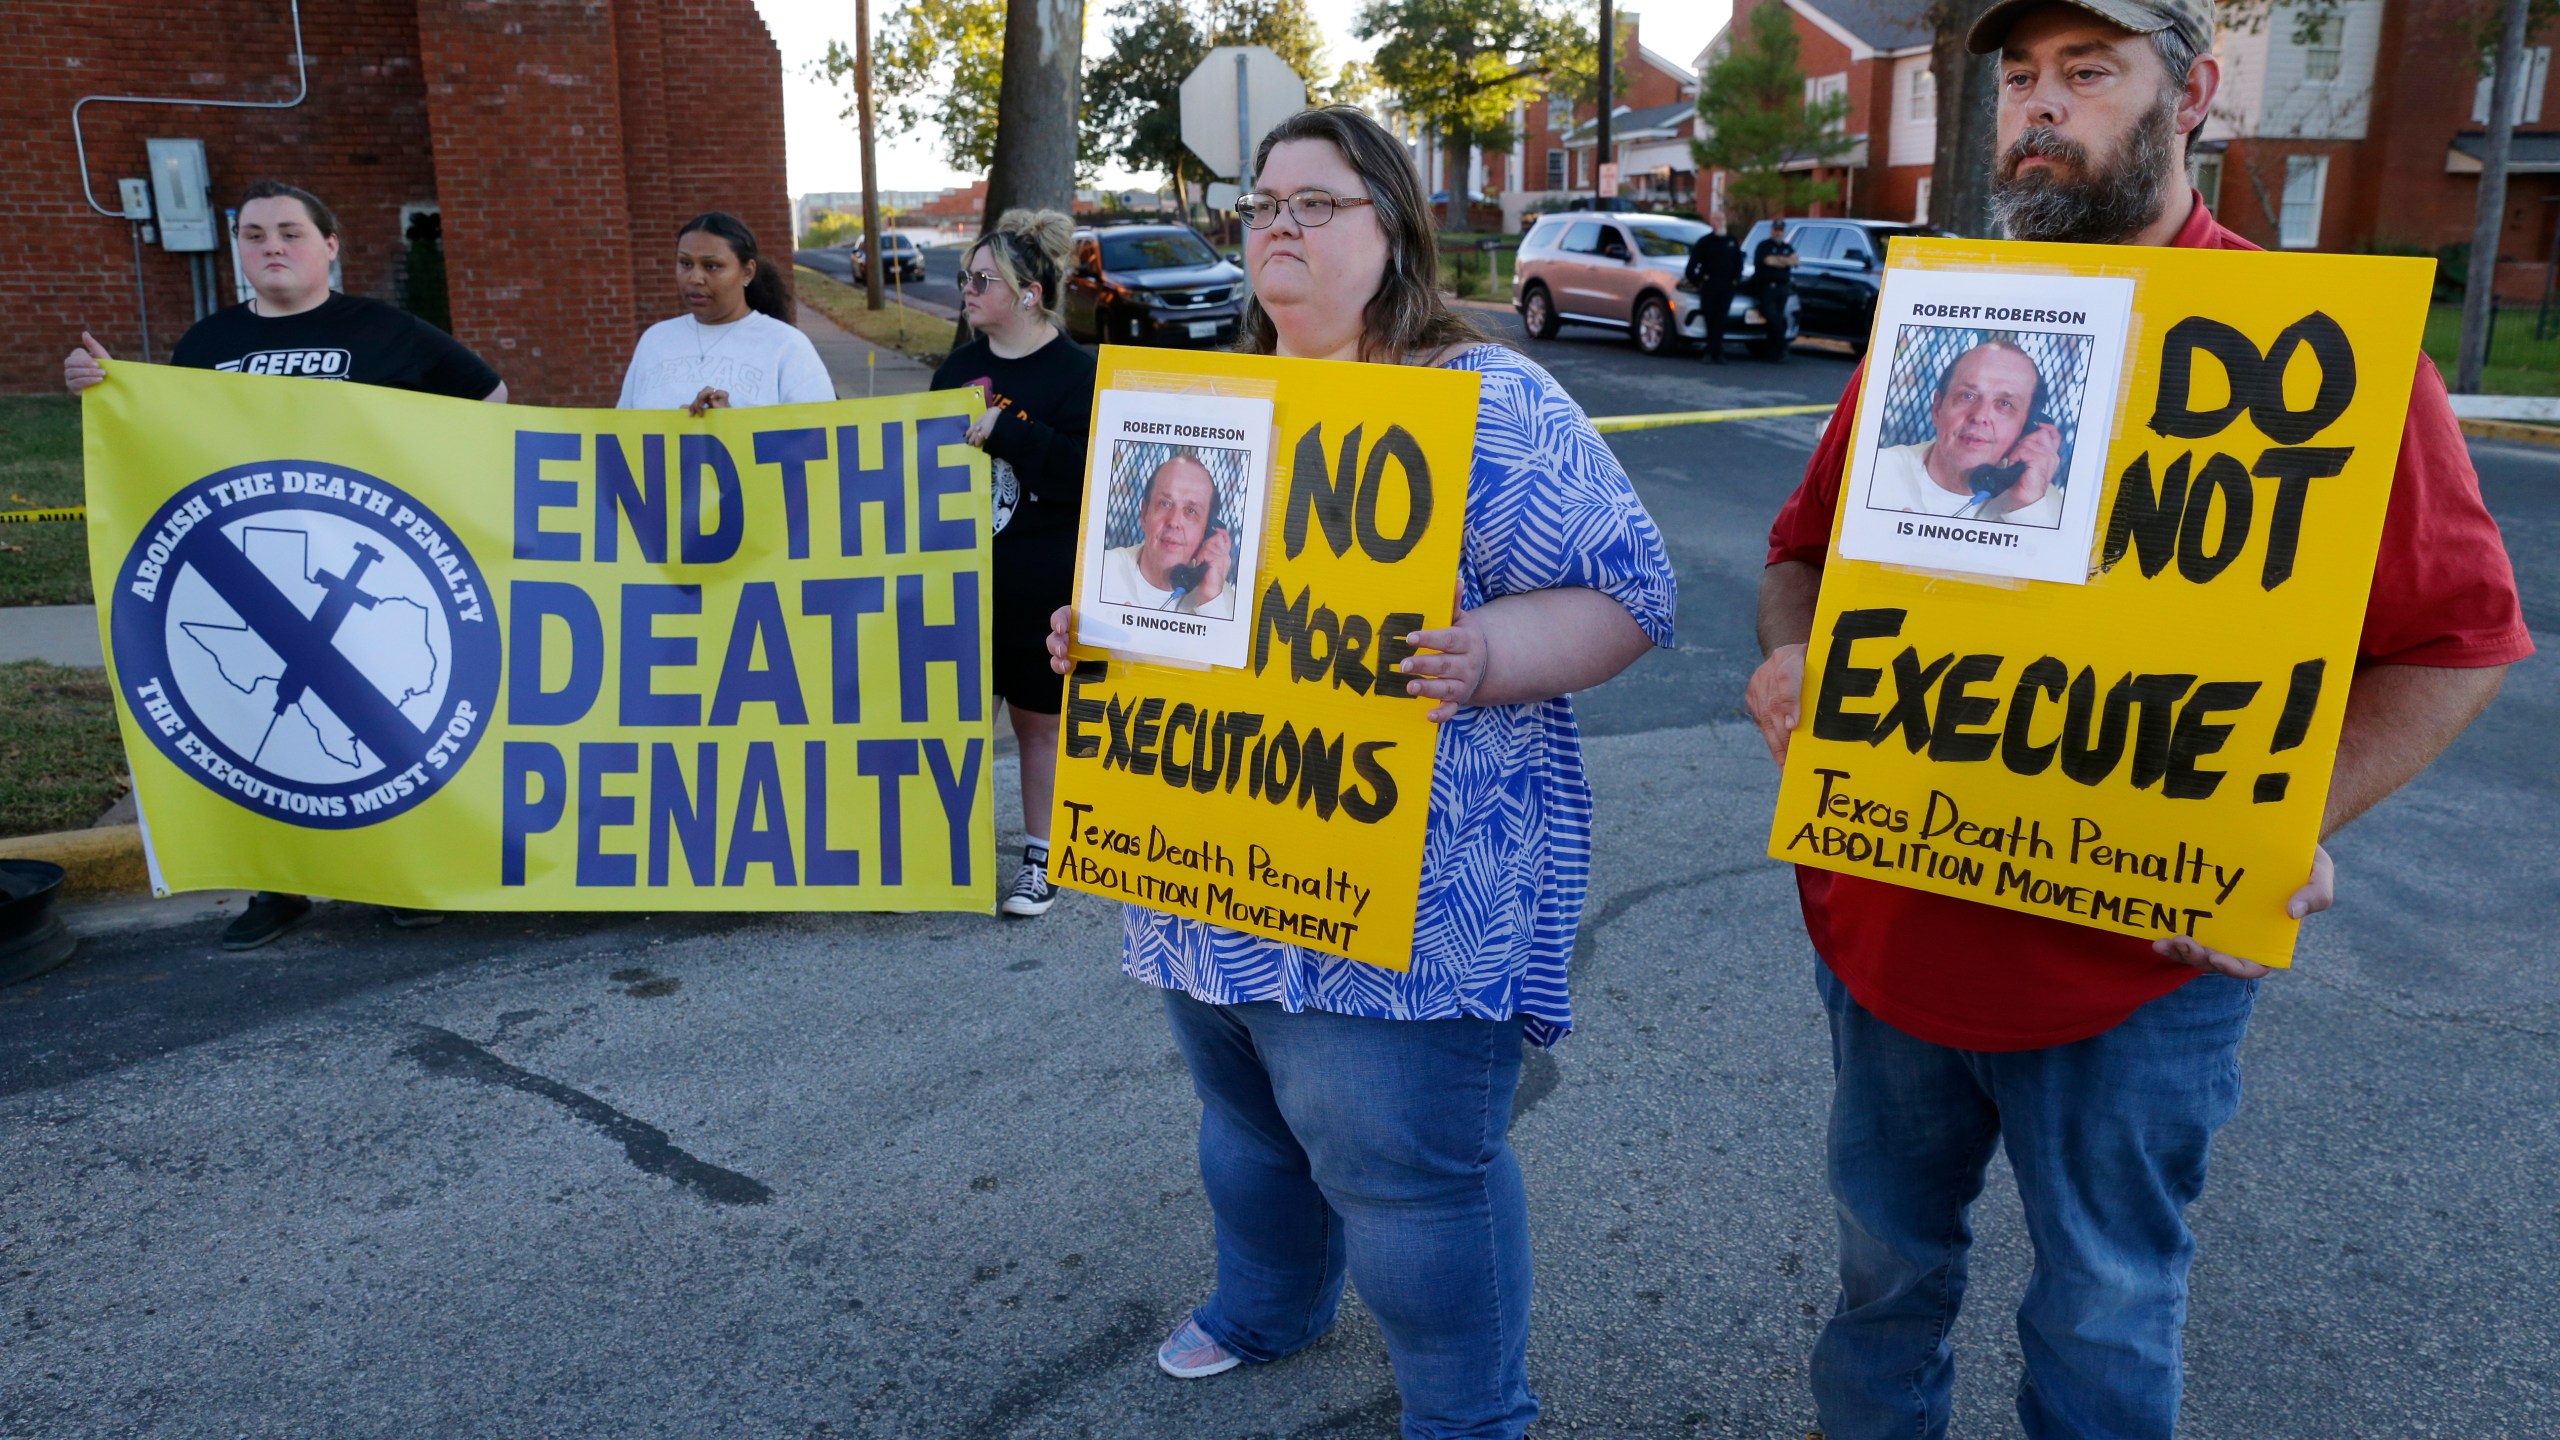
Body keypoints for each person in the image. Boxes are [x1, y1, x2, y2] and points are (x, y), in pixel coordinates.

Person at [1741, 1, 2532, 1435]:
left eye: (2089, 73)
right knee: (1881, 1281)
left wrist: (2285, 817)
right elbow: (1801, 553)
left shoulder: (2321, 355)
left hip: (2135, 971)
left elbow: (2460, 642)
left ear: (2197, 95)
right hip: (1886, 927)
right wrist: (1791, 659)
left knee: (2107, 1309)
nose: (2041, 106)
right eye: (2023, 77)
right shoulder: (1948, 326)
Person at [1046, 106, 1675, 1439]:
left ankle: (1469, 1413)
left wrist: (1488, 651)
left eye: (1317, 203)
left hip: (1402, 912)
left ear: (1393, 232)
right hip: (1206, 880)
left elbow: (1630, 591)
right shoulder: (1204, 406)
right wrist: (1097, 633)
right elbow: (1175, 595)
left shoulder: (1484, 404)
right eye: (1261, 202)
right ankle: (1270, 1305)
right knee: (1249, 1135)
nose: (1277, 222)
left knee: (1409, 1179)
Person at [62, 179, 507, 952]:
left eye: (292, 232)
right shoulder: (204, 347)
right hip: (251, 573)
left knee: (373, 728)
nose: (273, 245)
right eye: (257, 233)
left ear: (329, 246)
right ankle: (277, 885)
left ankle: (400, 877)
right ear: (239, 249)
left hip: (366, 564)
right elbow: (166, 444)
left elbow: (489, 398)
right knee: (259, 730)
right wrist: (104, 390)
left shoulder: (383, 330)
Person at [931, 209, 1093, 918]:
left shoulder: (1078, 371)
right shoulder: (959, 368)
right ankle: (940, 859)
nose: (965, 289)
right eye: (966, 278)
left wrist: (1012, 432)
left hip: (1038, 588)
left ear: (1028, 294)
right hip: (959, 586)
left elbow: (1089, 473)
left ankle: (1041, 860)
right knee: (951, 723)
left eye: (980, 279)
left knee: (1039, 727)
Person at [618, 211, 832, 414]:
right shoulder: (655, 340)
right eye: (685, 264)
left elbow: (818, 439)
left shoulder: (787, 345)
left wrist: (732, 427)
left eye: (711, 266)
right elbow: (621, 432)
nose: (695, 278)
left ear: (747, 272)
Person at [1871, 339, 2063, 525]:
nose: (1980, 416)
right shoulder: (1875, 472)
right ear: (1938, 408)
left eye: (2005, 404)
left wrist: (2028, 508)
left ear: (2028, 428)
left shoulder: (2046, 506)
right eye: (1967, 396)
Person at [1098, 453, 1235, 618]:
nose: (1174, 521)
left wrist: (1211, 601)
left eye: (1191, 511)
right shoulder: (1101, 571)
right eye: (1164, 503)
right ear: (1144, 514)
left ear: (1206, 532)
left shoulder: (1222, 600)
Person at [1684, 224, 1743, 363]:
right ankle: (1710, 351)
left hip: (1727, 285)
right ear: (1712, 223)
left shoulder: (1732, 241)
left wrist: (1735, 280)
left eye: (1722, 220)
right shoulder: (1705, 242)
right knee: (1710, 318)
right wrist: (1699, 283)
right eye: (1717, 220)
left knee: (1721, 318)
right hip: (1709, 285)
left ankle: (1717, 351)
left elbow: (1739, 263)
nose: (1720, 223)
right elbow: (1691, 268)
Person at [1750, 218, 1800, 340]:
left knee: (1779, 316)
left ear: (1784, 232)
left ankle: (1775, 350)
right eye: (1776, 230)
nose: (1778, 233)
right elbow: (1768, 260)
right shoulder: (1764, 246)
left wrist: (1778, 260)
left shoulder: (1787, 247)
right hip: (1767, 287)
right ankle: (1780, 346)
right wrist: (1786, 261)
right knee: (1772, 317)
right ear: (1771, 230)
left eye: (1781, 230)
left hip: (1782, 288)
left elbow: (1797, 262)